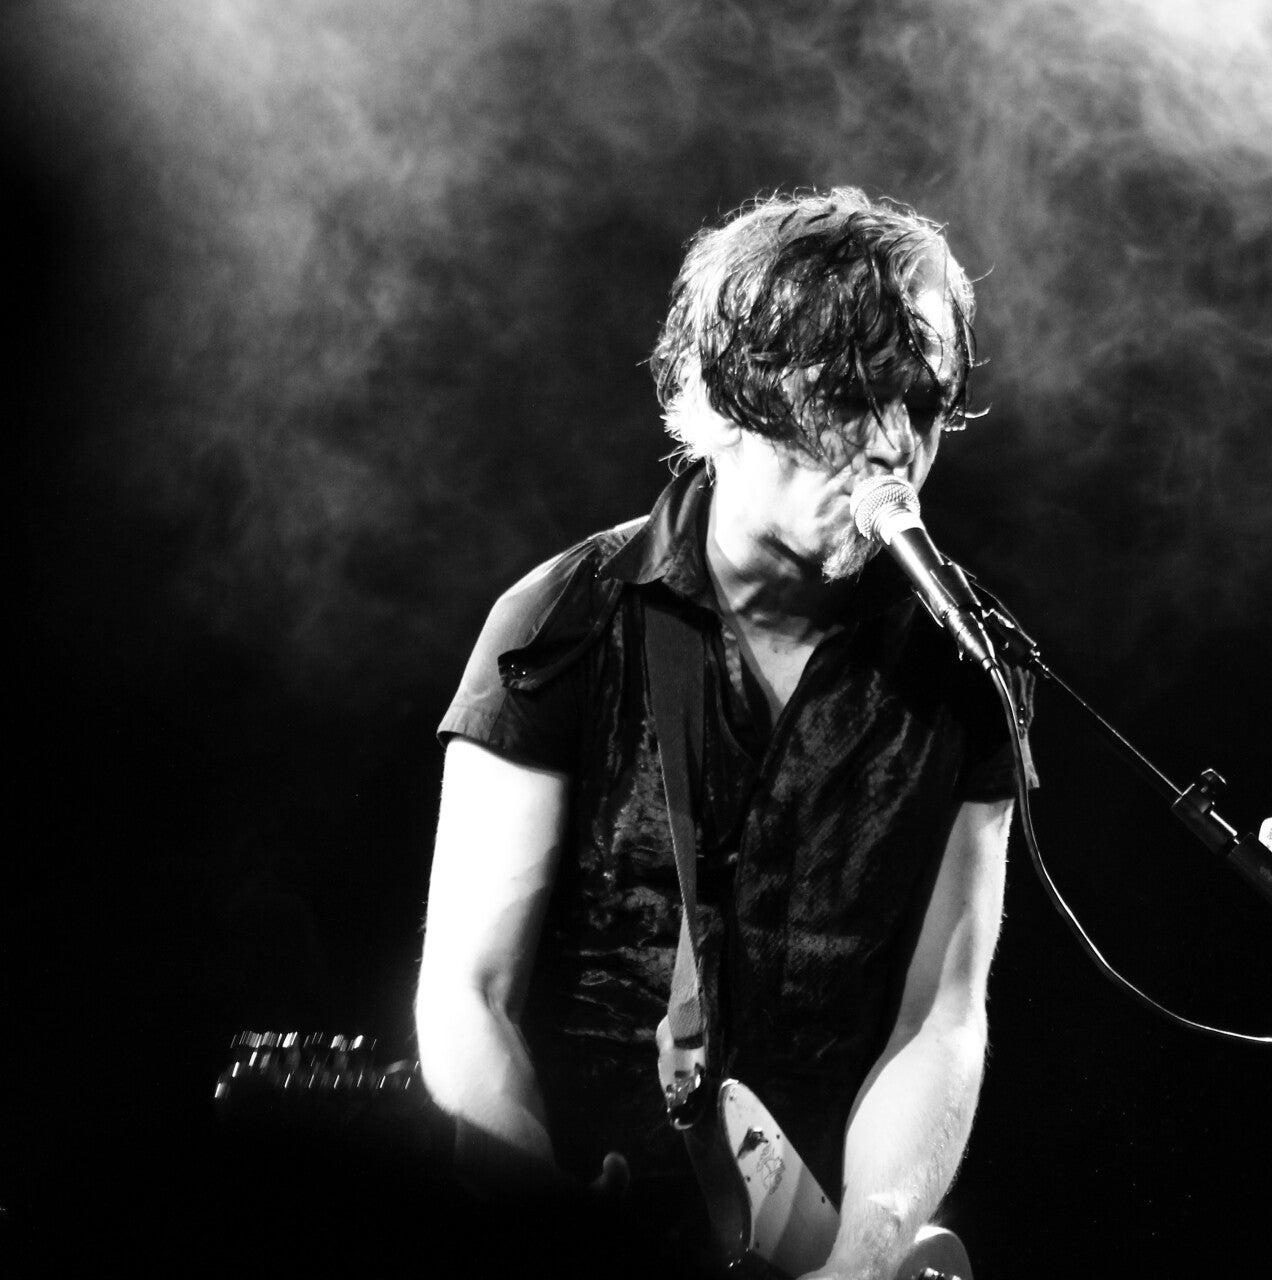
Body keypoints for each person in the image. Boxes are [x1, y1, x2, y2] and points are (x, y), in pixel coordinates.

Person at [414, 187, 1029, 1278]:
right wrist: (537, 1218)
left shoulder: (968, 665)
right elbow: (471, 993)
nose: (893, 444)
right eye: (848, 398)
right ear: (727, 396)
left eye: (922, 402)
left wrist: (864, 1254)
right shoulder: (563, 624)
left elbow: (941, 1015)